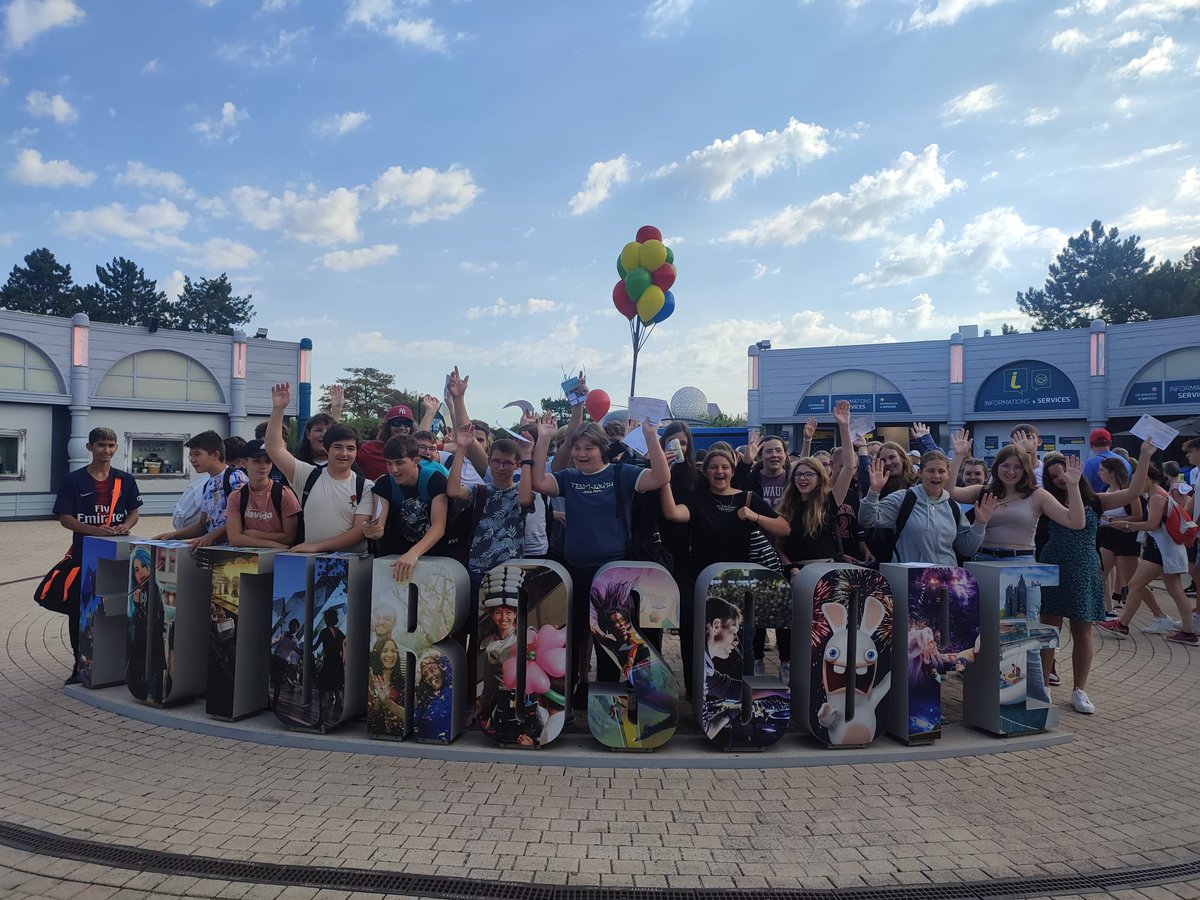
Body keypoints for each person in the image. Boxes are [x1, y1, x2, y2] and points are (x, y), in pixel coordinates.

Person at [531, 413, 669, 707]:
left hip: (612, 576)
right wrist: (543, 439)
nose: (581, 454)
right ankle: (567, 703)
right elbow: (540, 482)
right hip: (575, 572)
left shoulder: (622, 474)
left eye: (588, 448)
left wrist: (650, 437)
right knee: (572, 641)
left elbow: (660, 477)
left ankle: (606, 706)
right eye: (577, 448)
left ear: (602, 449)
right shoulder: (570, 478)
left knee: (609, 643)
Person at [1037, 443, 1153, 714]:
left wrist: (1145, 456)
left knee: (1083, 630)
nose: (1061, 478)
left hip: (1084, 566)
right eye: (1054, 476)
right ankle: (1041, 685)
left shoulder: (1096, 500)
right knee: (1049, 630)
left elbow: (1134, 492)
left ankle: (1080, 689)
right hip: (1052, 564)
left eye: (1063, 472)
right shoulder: (1047, 500)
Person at [772, 401, 856, 683]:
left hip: (828, 574)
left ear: (820, 477)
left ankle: (825, 680)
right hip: (797, 574)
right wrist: (790, 569)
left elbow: (849, 467)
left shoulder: (830, 501)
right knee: (794, 628)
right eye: (798, 474)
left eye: (809, 474)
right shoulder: (786, 509)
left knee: (828, 631)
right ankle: (792, 675)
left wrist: (844, 427)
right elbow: (779, 548)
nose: (803, 478)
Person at [52, 426, 143, 684]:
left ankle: (120, 664)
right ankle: (78, 664)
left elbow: (134, 511)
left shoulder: (125, 480)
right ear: (90, 447)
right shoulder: (74, 480)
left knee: (118, 609)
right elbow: (65, 518)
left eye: (111, 445)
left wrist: (127, 525)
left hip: (119, 557)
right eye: (101, 445)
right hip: (85, 558)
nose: (107, 450)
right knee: (80, 612)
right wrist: (94, 531)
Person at [1098, 457, 1199, 646]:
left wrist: (1126, 524)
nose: (1137, 484)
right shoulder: (1160, 495)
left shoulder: (1157, 497)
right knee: (1170, 589)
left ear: (1149, 479)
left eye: (1140, 479)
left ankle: (1123, 624)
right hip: (1164, 549)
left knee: (1137, 583)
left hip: (1160, 549)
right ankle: (1186, 630)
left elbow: (1152, 524)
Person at [264, 383, 374, 554]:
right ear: (327, 449)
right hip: (308, 560)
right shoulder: (306, 475)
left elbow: (359, 532)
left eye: (350, 448)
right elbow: (274, 449)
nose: (344, 453)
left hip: (351, 567)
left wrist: (317, 547)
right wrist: (278, 409)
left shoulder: (366, 486)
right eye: (337, 447)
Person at [947, 433, 1085, 561]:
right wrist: (958, 456)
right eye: (1005, 465)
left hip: (1020, 560)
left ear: (1025, 469)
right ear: (996, 467)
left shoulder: (1037, 495)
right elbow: (948, 492)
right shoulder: (983, 492)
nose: (1011, 471)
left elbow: (1076, 522)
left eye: (1017, 467)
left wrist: (1073, 486)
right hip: (984, 558)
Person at [861, 450, 994, 566]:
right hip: (909, 580)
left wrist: (980, 524)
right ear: (920, 472)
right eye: (930, 471)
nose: (936, 476)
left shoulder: (953, 507)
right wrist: (874, 491)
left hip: (946, 580)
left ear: (948, 474)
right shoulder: (902, 499)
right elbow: (867, 520)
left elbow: (967, 549)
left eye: (941, 471)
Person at [447, 423, 534, 598]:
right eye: (496, 461)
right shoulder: (480, 491)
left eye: (508, 463)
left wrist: (526, 457)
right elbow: (453, 490)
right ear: (489, 461)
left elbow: (525, 500)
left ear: (516, 465)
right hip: (478, 568)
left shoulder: (521, 491)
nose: (501, 467)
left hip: (511, 571)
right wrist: (461, 449)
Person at [363, 434, 448, 582]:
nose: (394, 470)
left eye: (399, 463)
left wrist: (413, 553)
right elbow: (378, 525)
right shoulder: (384, 484)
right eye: (389, 463)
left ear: (416, 461)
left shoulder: (434, 479)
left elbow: (439, 526)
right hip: (397, 556)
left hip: (434, 556)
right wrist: (373, 531)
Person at [153, 431, 248, 550]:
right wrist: (173, 535)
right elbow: (202, 525)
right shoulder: (207, 484)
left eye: (197, 454)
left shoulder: (236, 477)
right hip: (215, 549)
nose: (192, 459)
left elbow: (243, 517)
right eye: (190, 455)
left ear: (215, 455)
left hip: (234, 551)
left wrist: (211, 537)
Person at [224, 439, 301, 549]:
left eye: (268, 461)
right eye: (257, 461)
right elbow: (234, 538)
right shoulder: (236, 496)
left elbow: (290, 537)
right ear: (243, 463)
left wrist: (255, 534)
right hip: (248, 560)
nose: (264, 466)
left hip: (278, 559)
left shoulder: (284, 494)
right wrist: (272, 544)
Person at [1096, 456, 1145, 617]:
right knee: (1100, 573)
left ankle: (1158, 614)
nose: (1098, 473)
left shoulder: (1128, 493)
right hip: (1107, 536)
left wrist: (1115, 520)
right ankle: (1107, 609)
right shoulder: (1105, 490)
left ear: (1112, 473)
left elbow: (1138, 516)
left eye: (1102, 470)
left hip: (1126, 539)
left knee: (1134, 582)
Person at [314, 607, 346, 728]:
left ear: (327, 619)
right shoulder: (341, 634)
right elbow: (344, 654)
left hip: (328, 664)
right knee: (338, 696)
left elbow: (314, 647)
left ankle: (321, 721)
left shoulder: (324, 632)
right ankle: (340, 721)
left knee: (323, 692)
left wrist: (304, 649)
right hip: (338, 666)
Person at [367, 637, 405, 735]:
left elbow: (409, 717)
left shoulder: (402, 683)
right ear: (378, 654)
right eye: (384, 651)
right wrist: (379, 703)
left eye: (393, 651)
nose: (390, 655)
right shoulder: (370, 681)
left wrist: (388, 702)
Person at [413, 651, 453, 741]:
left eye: (432, 670)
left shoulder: (452, 684)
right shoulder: (427, 700)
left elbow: (447, 661)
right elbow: (413, 719)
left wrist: (436, 657)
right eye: (425, 675)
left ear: (441, 668)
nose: (430, 676)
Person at [1082, 428, 1131, 494]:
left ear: (1091, 444)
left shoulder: (1089, 463)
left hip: (1099, 502)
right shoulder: (1125, 462)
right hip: (1124, 500)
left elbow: (1082, 487)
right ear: (1110, 443)